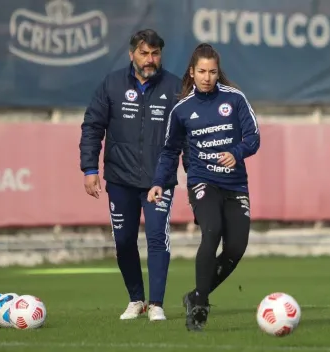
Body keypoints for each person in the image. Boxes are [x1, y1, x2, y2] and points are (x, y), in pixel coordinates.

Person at [147, 43, 260, 331]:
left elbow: (254, 137)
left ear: (217, 72)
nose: (207, 77)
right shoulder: (182, 109)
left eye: (212, 72)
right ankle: (199, 309)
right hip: (202, 181)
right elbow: (170, 151)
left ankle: (196, 295)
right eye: (201, 72)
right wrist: (159, 182)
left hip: (235, 185)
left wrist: (237, 152)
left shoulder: (234, 99)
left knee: (236, 248)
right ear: (192, 73)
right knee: (212, 232)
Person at [79, 29, 184, 321]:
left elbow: (187, 136)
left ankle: (157, 304)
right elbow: (92, 127)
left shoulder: (175, 88)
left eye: (155, 53)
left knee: (156, 238)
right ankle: (136, 299)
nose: (150, 60)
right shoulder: (112, 85)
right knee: (124, 241)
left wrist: (196, 176)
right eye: (144, 53)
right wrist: (90, 169)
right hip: (120, 179)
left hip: (158, 181)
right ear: (131, 55)